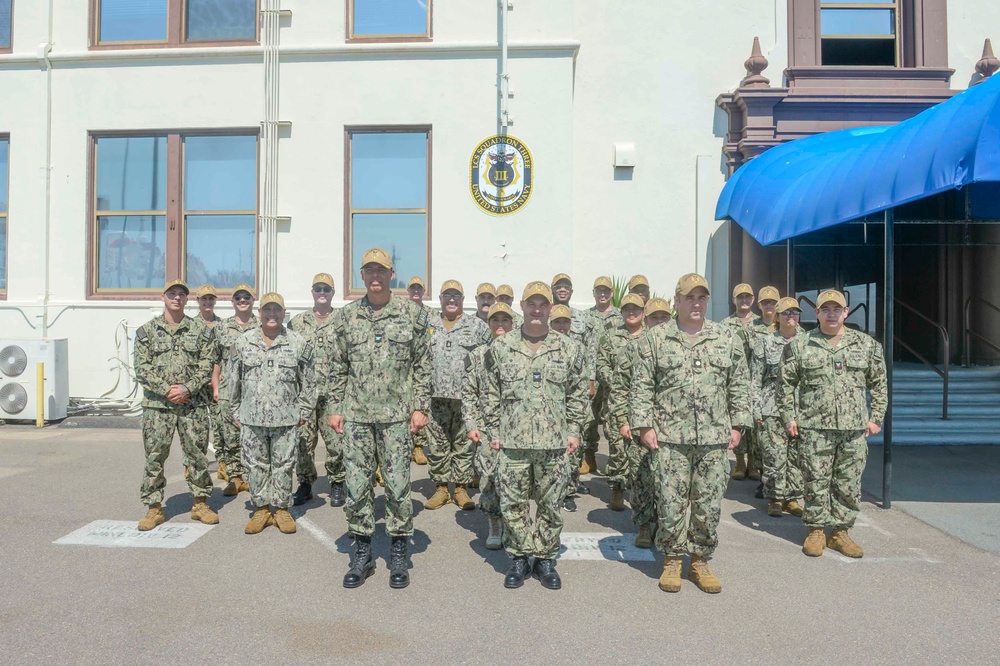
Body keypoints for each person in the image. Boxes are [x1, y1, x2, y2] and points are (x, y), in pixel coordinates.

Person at [631, 273, 751, 594]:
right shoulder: (655, 339)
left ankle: (699, 559)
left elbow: (739, 383)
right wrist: (644, 425)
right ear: (677, 301)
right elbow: (641, 385)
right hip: (670, 437)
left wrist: (738, 424)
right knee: (670, 502)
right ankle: (671, 558)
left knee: (708, 504)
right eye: (690, 298)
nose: (696, 303)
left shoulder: (725, 338)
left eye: (702, 298)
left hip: (713, 439)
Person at [328, 247, 431, 589]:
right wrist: (336, 407)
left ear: (391, 275)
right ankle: (363, 554)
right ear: (361, 276)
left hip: (397, 417)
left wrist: (420, 407)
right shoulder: (346, 317)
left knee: (399, 486)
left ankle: (399, 551)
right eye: (369, 271)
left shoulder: (411, 315)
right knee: (357, 487)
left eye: (381, 270)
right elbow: (337, 366)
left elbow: (423, 364)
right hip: (357, 416)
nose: (375, 276)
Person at [485, 281, 588, 590]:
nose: (537, 309)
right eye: (532, 303)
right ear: (522, 306)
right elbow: (490, 393)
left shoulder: (569, 348)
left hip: (554, 442)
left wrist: (574, 431)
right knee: (513, 504)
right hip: (513, 442)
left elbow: (579, 394)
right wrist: (494, 431)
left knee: (550, 503)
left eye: (543, 304)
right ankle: (518, 557)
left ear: (549, 308)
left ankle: (544, 559)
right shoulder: (501, 347)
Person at [779, 289, 887, 559]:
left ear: (846, 312)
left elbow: (879, 383)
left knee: (848, 482)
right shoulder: (799, 346)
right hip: (814, 427)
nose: (831, 314)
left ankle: (840, 532)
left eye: (836, 309)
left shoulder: (867, 345)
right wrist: (788, 416)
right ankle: (816, 530)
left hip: (853, 428)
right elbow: (784, 385)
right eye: (825, 309)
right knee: (815, 480)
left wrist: (876, 417)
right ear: (816, 313)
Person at [227, 293, 316, 535]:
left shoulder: (298, 343)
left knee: (284, 465)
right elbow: (232, 380)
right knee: (255, 465)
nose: (272, 314)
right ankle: (261, 509)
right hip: (252, 417)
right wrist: (235, 410)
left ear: (284, 313)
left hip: (286, 419)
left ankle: (281, 509)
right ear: (259, 313)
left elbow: (309, 381)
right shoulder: (243, 343)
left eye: (277, 310)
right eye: (267, 310)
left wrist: (305, 410)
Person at [134, 280, 218, 531]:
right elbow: (142, 367)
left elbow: (207, 364)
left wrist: (187, 388)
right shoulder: (146, 332)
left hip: (192, 405)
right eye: (172, 294)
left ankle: (200, 503)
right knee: (155, 457)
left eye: (182, 294)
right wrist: (166, 390)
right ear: (163, 297)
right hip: (158, 406)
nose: (177, 298)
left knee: (197, 455)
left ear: (187, 299)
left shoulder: (201, 331)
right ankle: (154, 507)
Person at [425, 279, 492, 510]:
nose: (451, 299)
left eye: (456, 296)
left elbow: (490, 357)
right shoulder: (429, 324)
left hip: (466, 397)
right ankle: (441, 489)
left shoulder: (477, 327)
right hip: (435, 398)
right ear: (441, 299)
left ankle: (461, 489)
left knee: (463, 444)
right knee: (437, 444)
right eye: (447, 295)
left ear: (463, 300)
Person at [617, 296, 672, 547]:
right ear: (646, 320)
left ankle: (664, 524)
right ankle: (643, 524)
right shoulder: (633, 348)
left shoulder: (676, 347)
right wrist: (623, 421)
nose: (659, 322)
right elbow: (619, 389)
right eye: (654, 317)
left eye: (664, 317)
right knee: (641, 480)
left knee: (667, 481)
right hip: (639, 425)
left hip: (671, 428)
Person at [288, 273, 345, 507]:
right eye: (318, 289)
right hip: (305, 395)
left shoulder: (343, 320)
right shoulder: (297, 323)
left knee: (336, 442)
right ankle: (305, 484)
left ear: (333, 293)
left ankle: (338, 482)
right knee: (303, 441)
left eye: (327, 289)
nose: (322, 293)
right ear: (312, 292)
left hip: (334, 394)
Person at [463, 302, 516, 549]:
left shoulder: (520, 354)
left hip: (516, 428)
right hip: (486, 429)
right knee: (489, 479)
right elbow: (469, 393)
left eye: (505, 320)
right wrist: (471, 423)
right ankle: (494, 523)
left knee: (516, 480)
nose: (500, 325)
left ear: (512, 323)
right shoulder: (477, 355)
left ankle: (514, 524)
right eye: (496, 320)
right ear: (489, 323)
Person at [750, 297, 806, 518]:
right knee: (774, 455)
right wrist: (756, 409)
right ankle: (774, 498)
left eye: (794, 313)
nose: (791, 317)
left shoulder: (808, 341)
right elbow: (755, 378)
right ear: (777, 316)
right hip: (771, 407)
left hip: (800, 408)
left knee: (796, 455)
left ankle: (792, 498)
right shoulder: (765, 342)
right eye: (786, 313)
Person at [596, 293, 645, 512]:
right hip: (615, 402)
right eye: (627, 309)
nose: (631, 312)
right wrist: (618, 382)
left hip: (645, 404)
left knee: (642, 451)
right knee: (617, 447)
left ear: (643, 312)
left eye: (636, 309)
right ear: (621, 312)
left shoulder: (652, 337)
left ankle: (640, 490)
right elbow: (601, 365)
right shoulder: (610, 337)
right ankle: (617, 487)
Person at [551, 273, 600, 477]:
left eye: (566, 286)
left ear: (571, 291)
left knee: (577, 425)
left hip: (576, 379)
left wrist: (590, 379)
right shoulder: (544, 314)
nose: (562, 289)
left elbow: (591, 349)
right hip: (552, 380)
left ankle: (573, 475)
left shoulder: (583, 318)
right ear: (552, 289)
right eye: (558, 286)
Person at [215, 284, 260, 497]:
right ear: (232, 302)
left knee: (254, 434)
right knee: (231, 435)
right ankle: (235, 477)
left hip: (255, 390)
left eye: (247, 297)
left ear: (253, 300)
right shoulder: (222, 327)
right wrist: (216, 386)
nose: (243, 300)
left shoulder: (262, 326)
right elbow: (215, 360)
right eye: (238, 297)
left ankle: (254, 476)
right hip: (228, 389)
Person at [721, 283, 758, 480]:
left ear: (752, 300)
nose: (744, 300)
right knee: (737, 419)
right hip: (734, 380)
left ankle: (753, 463)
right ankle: (740, 462)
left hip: (757, 380)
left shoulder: (762, 324)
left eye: (747, 297)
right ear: (733, 300)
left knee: (755, 424)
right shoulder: (725, 325)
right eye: (740, 297)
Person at [549, 304, 584, 511]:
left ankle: (569, 492)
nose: (561, 326)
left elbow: (579, 383)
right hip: (551, 411)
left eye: (565, 321)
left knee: (572, 454)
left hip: (568, 409)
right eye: (557, 322)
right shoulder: (545, 344)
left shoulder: (575, 347)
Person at [193, 285, 223, 477]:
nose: (207, 302)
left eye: (211, 299)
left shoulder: (223, 325)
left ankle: (223, 465)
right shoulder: (191, 325)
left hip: (218, 384)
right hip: (198, 386)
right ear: (197, 301)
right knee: (198, 428)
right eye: (204, 299)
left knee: (221, 427)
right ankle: (195, 466)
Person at [407, 276, 431, 466]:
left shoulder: (430, 314)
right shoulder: (402, 311)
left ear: (424, 291)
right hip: (405, 364)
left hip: (422, 364)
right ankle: (406, 445)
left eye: (419, 288)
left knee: (421, 404)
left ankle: (419, 447)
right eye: (413, 288)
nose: (416, 291)